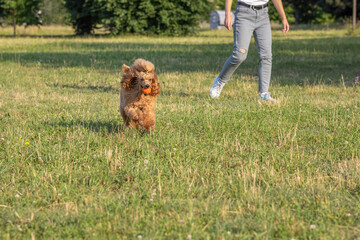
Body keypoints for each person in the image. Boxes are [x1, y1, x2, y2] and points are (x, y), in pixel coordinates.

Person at [209, 0, 289, 101]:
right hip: (244, 14)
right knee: (239, 55)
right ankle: (220, 80)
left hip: (263, 15)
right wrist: (227, 14)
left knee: (266, 56)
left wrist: (283, 17)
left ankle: (264, 93)